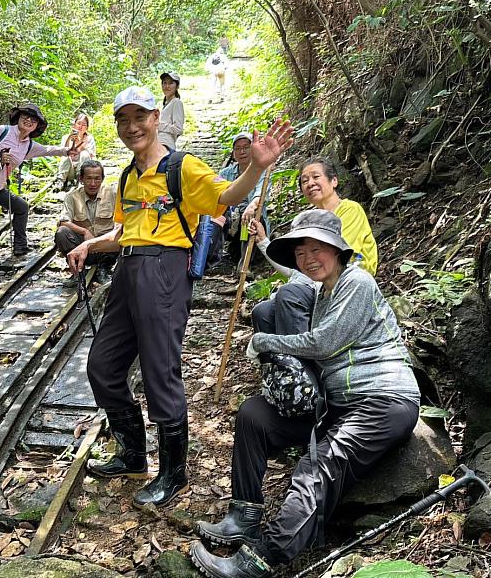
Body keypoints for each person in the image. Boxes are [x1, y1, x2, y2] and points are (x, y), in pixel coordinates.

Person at [67, 85, 294, 508]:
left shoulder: (182, 166)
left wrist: (257, 169)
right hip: (128, 270)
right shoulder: (129, 175)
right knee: (102, 365)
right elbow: (122, 230)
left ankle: (173, 473)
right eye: (123, 120)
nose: (132, 127)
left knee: (159, 371)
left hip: (165, 269)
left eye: (139, 117)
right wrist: (88, 246)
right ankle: (133, 454)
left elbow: (223, 198)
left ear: (156, 118)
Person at [190, 209, 420, 578]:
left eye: (317, 249)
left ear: (338, 250)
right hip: (339, 406)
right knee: (254, 415)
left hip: (383, 400)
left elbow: (325, 343)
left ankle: (262, 559)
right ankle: (244, 515)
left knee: (317, 466)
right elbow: (295, 288)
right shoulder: (323, 291)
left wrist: (265, 340)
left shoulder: (357, 282)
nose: (309, 259)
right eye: (300, 253)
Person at [249, 156, 378, 338]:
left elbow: (334, 260)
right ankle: (278, 364)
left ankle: (300, 363)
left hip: (343, 286)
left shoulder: (349, 210)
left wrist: (292, 287)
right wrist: (263, 241)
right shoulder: (308, 220)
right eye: (304, 180)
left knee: (288, 294)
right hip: (314, 286)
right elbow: (297, 270)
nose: (310, 183)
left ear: (334, 181)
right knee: (262, 312)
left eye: (316, 177)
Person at [0, 103, 76, 277]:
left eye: (33, 120)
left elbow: (46, 150)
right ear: (18, 117)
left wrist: (67, 151)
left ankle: (20, 247)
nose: (28, 120)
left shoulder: (28, 145)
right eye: (25, 116)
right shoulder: (2, 131)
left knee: (21, 207)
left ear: (36, 126)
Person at [207, 132, 271, 267]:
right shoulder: (226, 173)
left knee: (248, 215)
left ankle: (244, 265)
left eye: (246, 147)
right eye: (237, 148)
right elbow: (215, 194)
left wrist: (251, 206)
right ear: (233, 153)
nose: (242, 151)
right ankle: (208, 257)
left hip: (250, 222)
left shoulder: (262, 172)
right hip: (231, 220)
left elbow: (260, 194)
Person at [54, 160, 117, 286]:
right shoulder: (72, 196)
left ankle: (104, 268)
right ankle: (77, 270)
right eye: (88, 179)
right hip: (83, 248)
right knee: (62, 233)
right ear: (81, 179)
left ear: (103, 179)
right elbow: (63, 222)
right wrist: (84, 231)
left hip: (108, 247)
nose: (93, 184)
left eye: (97, 179)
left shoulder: (113, 194)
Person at [56, 112, 96, 190]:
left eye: (84, 125)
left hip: (83, 170)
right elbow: (62, 153)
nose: (80, 126)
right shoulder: (66, 137)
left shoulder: (89, 139)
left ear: (87, 127)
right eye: (79, 123)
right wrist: (70, 138)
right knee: (65, 157)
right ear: (74, 125)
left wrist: (82, 144)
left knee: (85, 154)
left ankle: (81, 181)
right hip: (68, 169)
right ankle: (60, 181)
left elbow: (91, 156)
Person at [158, 71, 184, 150]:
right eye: (164, 83)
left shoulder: (176, 102)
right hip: (158, 143)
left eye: (171, 83)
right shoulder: (165, 103)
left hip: (166, 145)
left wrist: (158, 126)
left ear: (177, 86)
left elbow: (178, 129)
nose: (167, 86)